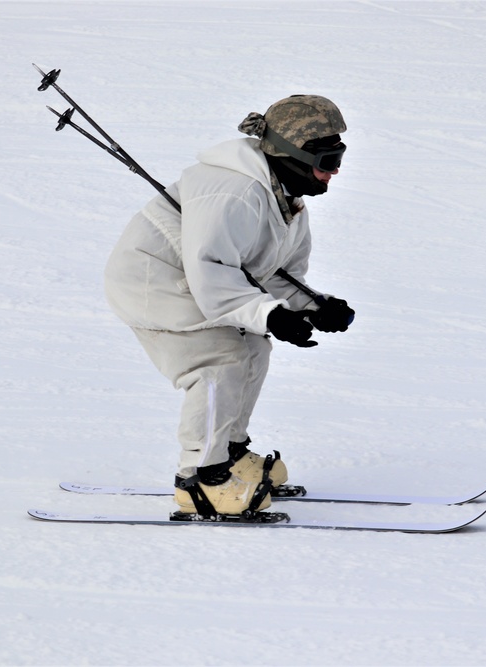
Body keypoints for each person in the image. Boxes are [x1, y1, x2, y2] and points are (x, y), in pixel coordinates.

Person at [103, 94, 355, 517]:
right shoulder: (235, 194)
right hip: (157, 284)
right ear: (289, 154)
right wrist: (271, 314)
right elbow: (212, 273)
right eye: (328, 158)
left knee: (254, 349)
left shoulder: (287, 198)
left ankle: (230, 452)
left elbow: (269, 270)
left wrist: (313, 306)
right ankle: (200, 478)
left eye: (340, 156)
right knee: (220, 361)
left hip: (196, 281)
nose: (334, 172)